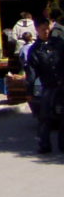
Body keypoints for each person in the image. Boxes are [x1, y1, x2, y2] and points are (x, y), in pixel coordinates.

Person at [28, 18, 64, 153]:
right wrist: (29, 91)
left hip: (62, 84)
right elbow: (31, 72)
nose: (46, 31)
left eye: (47, 28)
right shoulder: (35, 50)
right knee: (45, 117)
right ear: (37, 30)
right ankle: (44, 145)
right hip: (48, 86)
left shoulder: (59, 44)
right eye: (43, 29)